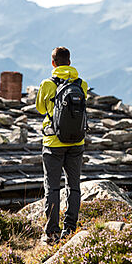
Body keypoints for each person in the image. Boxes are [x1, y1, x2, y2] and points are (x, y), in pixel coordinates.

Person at [35, 46, 88, 244]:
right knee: (74, 185)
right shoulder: (82, 84)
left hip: (52, 143)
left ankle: (52, 232)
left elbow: (41, 109)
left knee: (52, 186)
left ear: (53, 63)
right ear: (70, 62)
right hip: (77, 141)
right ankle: (71, 229)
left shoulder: (47, 84)